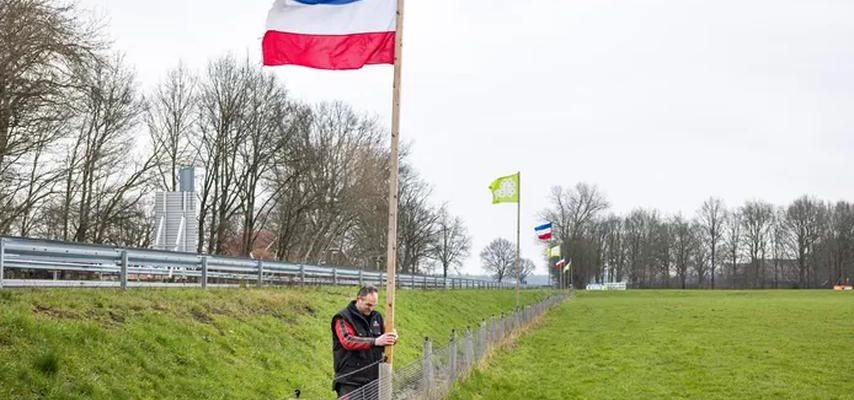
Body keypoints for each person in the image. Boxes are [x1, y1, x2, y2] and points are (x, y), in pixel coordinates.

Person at [331, 285, 398, 398]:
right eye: (368, 304)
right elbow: (348, 340)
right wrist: (375, 341)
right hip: (350, 381)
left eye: (374, 305)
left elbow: (384, 339)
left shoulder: (377, 317)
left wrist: (392, 337)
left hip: (373, 379)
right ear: (358, 299)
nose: (371, 308)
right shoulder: (342, 318)